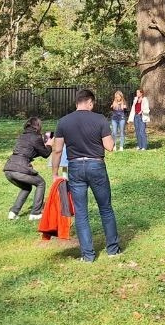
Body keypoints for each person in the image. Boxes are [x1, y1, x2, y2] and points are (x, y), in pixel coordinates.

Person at [51, 89, 120, 262]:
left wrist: (55, 173)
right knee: (105, 208)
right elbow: (109, 147)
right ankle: (113, 250)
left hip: (75, 167)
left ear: (77, 103)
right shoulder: (100, 119)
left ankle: (88, 256)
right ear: (90, 102)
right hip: (96, 165)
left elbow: (57, 149)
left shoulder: (63, 122)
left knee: (81, 212)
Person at [3, 116, 51, 220]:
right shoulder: (36, 137)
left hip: (8, 169)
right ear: (38, 126)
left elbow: (28, 152)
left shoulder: (22, 136)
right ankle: (36, 213)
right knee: (40, 183)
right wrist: (49, 144)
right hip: (20, 169)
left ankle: (13, 212)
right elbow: (46, 154)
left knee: (26, 187)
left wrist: (43, 145)